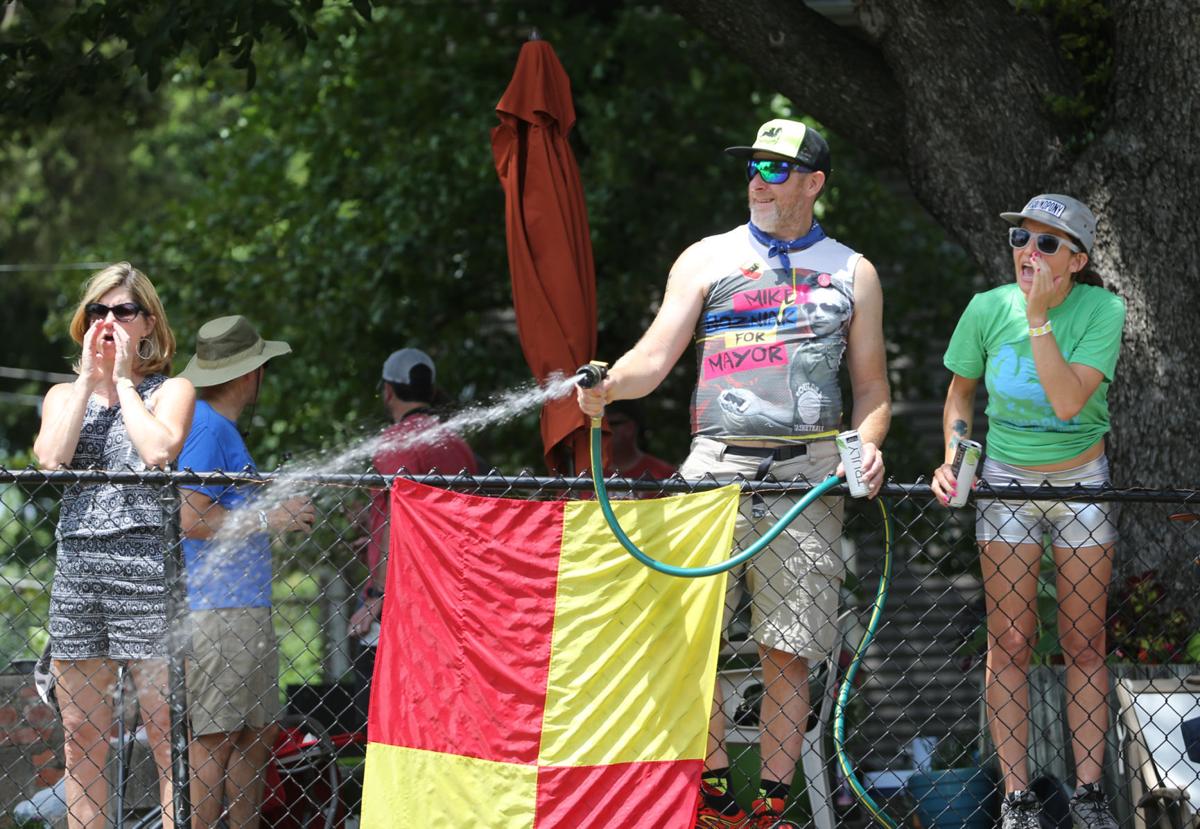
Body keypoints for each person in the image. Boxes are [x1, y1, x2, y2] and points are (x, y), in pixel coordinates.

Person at [577, 118, 890, 829]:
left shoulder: (853, 271)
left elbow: (872, 390)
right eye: (753, 166)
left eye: (777, 170)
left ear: (814, 183)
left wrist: (867, 444)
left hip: (810, 473)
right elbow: (652, 359)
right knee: (692, 636)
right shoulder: (705, 258)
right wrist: (606, 384)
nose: (757, 179)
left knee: (791, 646)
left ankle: (777, 807)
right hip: (714, 465)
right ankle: (715, 797)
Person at [930, 194, 1125, 829]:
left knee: (1083, 641)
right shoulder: (986, 308)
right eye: (1021, 239)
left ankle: (1089, 794)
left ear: (1078, 260)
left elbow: (1069, 403)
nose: (1028, 253)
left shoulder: (1104, 309)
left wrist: (1038, 318)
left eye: (1046, 244)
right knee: (1010, 642)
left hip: (1080, 480)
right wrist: (955, 457)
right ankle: (1017, 800)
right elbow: (960, 393)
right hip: (1007, 482)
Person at [33, 262, 196, 829]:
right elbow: (51, 458)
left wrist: (124, 381)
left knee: (165, 733)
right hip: (80, 569)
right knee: (82, 739)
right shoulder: (62, 393)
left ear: (147, 324)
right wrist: (87, 380)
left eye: (123, 311)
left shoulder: (171, 389)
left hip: (147, 568)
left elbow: (158, 451)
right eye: (98, 311)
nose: (109, 321)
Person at [176, 315, 317, 828]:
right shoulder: (208, 427)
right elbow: (191, 518)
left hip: (241, 610)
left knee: (253, 739)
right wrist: (269, 516)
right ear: (247, 373)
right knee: (215, 742)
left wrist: (274, 513)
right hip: (220, 612)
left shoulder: (219, 429)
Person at [348, 348, 478, 700]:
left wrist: (376, 596)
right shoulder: (455, 442)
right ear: (431, 391)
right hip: (452, 594)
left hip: (402, 604)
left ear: (388, 391)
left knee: (381, 710)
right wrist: (370, 519)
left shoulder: (397, 441)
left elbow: (396, 513)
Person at [602, 399, 677, 497]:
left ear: (631, 427)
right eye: (601, 425)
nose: (604, 430)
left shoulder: (664, 473)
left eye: (612, 424)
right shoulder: (588, 473)